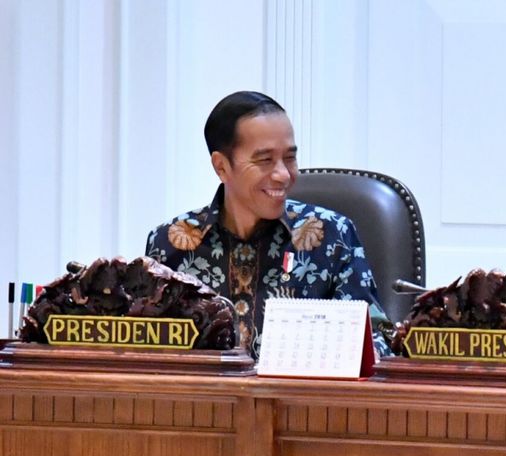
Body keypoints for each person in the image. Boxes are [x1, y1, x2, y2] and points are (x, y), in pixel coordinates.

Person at [145, 91, 392, 360]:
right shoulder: (171, 243)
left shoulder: (333, 236)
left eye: (290, 158)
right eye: (264, 160)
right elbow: (149, 350)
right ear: (221, 166)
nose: (283, 175)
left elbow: (377, 344)